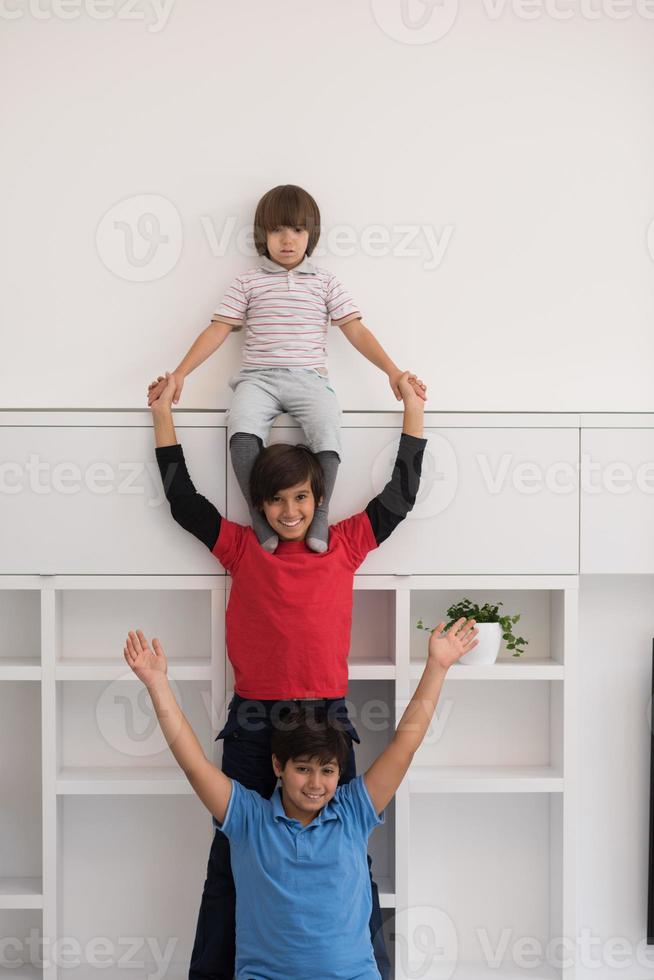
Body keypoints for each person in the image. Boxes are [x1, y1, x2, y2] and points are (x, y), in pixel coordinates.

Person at [150, 370, 427, 980]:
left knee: (351, 855)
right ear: (260, 504)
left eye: (301, 497)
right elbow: (184, 504)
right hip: (255, 719)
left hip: (326, 715)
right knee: (230, 861)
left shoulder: (346, 544)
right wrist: (163, 417)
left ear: (319, 497)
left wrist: (412, 410)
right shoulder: (243, 548)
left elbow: (399, 497)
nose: (290, 510)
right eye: (276, 500)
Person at [122, 614, 479, 980]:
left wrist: (437, 666)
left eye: (327, 771)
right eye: (303, 768)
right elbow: (194, 764)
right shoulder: (249, 819)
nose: (315, 783)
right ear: (279, 765)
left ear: (340, 774)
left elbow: (405, 746)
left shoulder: (353, 812)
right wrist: (157, 685)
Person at [146, 183, 426, 553]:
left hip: (309, 378)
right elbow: (217, 330)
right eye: (277, 230)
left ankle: (320, 514)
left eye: (296, 229)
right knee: (241, 431)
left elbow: (355, 330)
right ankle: (259, 514)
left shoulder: (325, 283)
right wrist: (181, 373)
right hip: (258, 380)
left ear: (311, 234)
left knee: (328, 427)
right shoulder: (248, 282)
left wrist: (392, 371)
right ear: (264, 235)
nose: (287, 239)